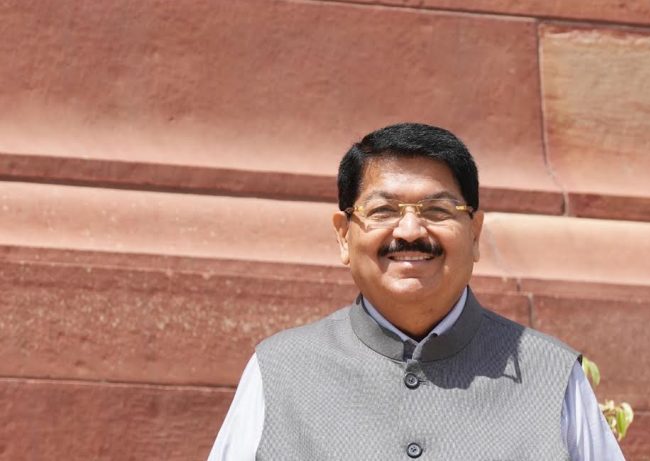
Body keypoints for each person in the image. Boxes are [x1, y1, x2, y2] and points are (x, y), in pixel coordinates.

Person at [208, 123, 625, 460]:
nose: (409, 231)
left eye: (438, 210)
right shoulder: (280, 370)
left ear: (475, 234)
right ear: (343, 236)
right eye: (383, 210)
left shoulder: (552, 376)